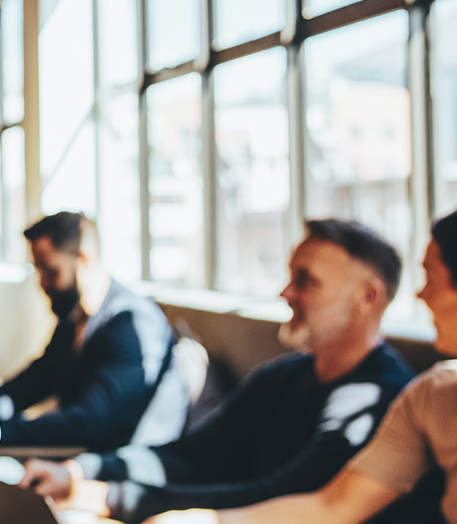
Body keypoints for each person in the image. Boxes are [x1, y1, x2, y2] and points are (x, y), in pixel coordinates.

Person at [19, 219, 415, 521]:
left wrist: (110, 496)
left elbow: (280, 497)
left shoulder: (380, 400)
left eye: (305, 281)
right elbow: (190, 456)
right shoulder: (280, 377)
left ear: (368, 297)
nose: (285, 293)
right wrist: (82, 469)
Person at [140, 210, 457, 524]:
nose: (420, 294)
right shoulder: (429, 396)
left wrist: (129, 500)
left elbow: (292, 493)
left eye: (430, 277)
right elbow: (331, 508)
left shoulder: (374, 396)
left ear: (368, 296)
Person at [0, 212, 186, 450]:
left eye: (50, 271)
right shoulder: (75, 318)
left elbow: (90, 423)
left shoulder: (133, 324)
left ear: (84, 260)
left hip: (133, 468)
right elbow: (38, 379)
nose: (41, 283)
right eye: (37, 270)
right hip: (91, 458)